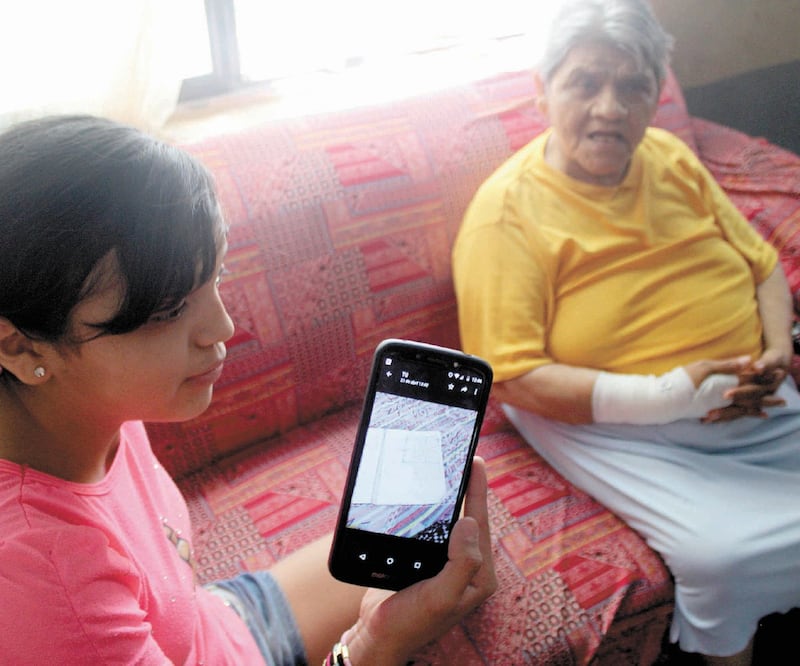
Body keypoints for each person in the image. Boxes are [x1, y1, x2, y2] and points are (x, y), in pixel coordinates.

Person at [0, 114, 496, 665]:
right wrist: (375, 647)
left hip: (222, 618)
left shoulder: (83, 403)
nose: (223, 329)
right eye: (167, 311)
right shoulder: (44, 580)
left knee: (436, 552)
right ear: (21, 349)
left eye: (215, 277)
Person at [452, 0, 800, 664]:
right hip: (611, 422)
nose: (610, 107)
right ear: (542, 91)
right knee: (721, 556)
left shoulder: (667, 157)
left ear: (655, 96)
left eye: (633, 85)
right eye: (586, 82)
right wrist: (671, 395)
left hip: (752, 398)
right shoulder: (507, 213)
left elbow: (763, 268)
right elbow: (513, 376)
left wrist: (778, 351)